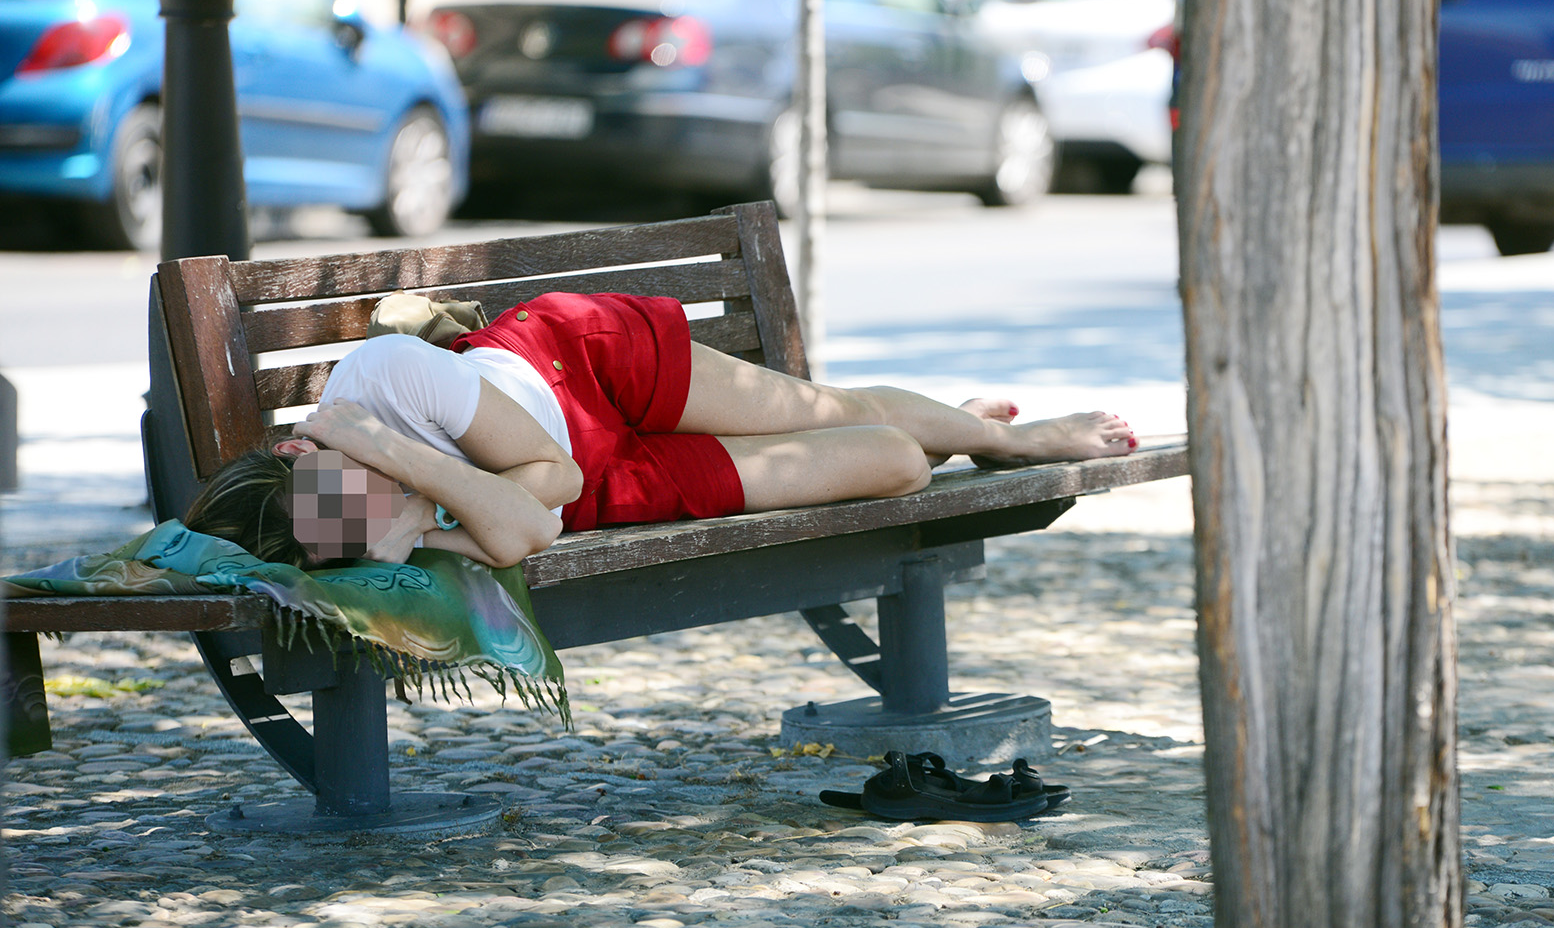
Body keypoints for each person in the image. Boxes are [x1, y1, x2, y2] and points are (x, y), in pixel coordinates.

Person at [184, 292, 1137, 570]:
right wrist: (410, 524)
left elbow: (543, 470)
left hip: (588, 368)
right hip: (606, 485)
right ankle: (947, 427)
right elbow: (538, 521)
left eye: (356, 499)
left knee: (838, 413)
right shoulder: (347, 521)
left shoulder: (381, 378)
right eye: (360, 535)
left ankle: (1004, 436)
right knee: (895, 464)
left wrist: (401, 463)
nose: (378, 512)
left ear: (300, 449)